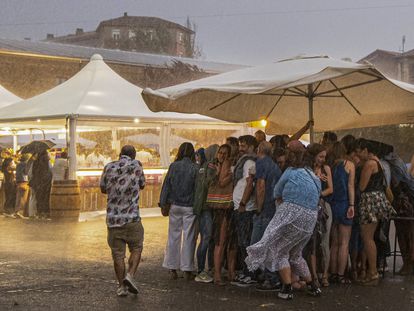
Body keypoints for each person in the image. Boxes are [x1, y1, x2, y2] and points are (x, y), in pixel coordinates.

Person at [245, 147, 322, 300]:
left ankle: (286, 289)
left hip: (292, 214)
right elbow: (318, 194)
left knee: (279, 251)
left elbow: (276, 192)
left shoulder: (290, 172)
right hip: (310, 218)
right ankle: (313, 286)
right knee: (295, 254)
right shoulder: (314, 176)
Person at [100, 145, 146, 297]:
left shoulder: (108, 166)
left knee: (118, 255)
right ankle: (130, 275)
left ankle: (121, 287)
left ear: (120, 154)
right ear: (133, 155)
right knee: (137, 247)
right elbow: (142, 185)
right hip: (132, 217)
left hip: (113, 219)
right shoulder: (137, 165)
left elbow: (103, 188)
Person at [356, 139, 395, 286]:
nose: (358, 154)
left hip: (369, 201)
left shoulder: (369, 164)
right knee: (370, 237)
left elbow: (362, 186)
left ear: (366, 150)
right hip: (377, 200)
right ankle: (371, 271)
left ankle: (373, 272)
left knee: (368, 239)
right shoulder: (378, 161)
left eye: (360, 151)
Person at [160, 142, 198, 280]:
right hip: (190, 206)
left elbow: (166, 186)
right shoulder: (195, 168)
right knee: (189, 237)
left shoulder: (173, 166)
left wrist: (163, 203)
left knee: (173, 236)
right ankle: (187, 269)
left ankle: (172, 268)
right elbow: (197, 189)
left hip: (174, 205)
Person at [251, 141, 282, 291]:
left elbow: (261, 186)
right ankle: (267, 274)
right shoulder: (274, 165)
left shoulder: (261, 163)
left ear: (259, 150)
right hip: (274, 208)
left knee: (258, 244)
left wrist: (258, 207)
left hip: (266, 210)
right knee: (268, 244)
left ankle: (270, 277)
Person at [303, 143, 333, 288]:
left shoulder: (326, 169)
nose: (322, 159)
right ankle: (314, 275)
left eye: (324, 157)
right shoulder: (306, 170)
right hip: (309, 207)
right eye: (320, 156)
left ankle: (325, 274)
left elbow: (330, 189)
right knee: (311, 243)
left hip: (323, 207)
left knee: (324, 241)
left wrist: (318, 192)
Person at [230, 135, 258, 287]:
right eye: (240, 145)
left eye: (243, 146)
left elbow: (250, 184)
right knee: (243, 241)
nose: (240, 148)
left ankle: (250, 273)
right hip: (242, 206)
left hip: (245, 208)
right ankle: (247, 272)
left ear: (252, 146)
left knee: (245, 242)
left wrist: (243, 202)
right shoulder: (245, 161)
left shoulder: (249, 162)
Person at [205, 144, 234, 285]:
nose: (221, 155)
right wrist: (231, 174)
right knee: (220, 242)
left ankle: (223, 272)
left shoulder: (214, 166)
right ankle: (217, 275)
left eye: (224, 153)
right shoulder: (223, 165)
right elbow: (222, 182)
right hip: (221, 207)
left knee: (221, 241)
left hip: (219, 206)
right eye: (220, 153)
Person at [329, 142, 355, 284]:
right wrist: (352, 205)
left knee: (334, 242)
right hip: (345, 204)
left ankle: (332, 272)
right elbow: (350, 186)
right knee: (344, 242)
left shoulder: (330, 167)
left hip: (333, 205)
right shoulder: (349, 165)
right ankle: (340, 275)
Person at [193, 144, 219, 283]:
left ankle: (205, 269)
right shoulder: (210, 166)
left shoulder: (202, 166)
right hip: (207, 207)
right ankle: (202, 269)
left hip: (203, 207)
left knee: (207, 238)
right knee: (207, 238)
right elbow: (209, 183)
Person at [30, 150, 52, 219]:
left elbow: (32, 172)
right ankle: (45, 213)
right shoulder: (47, 161)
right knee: (45, 197)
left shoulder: (35, 162)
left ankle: (39, 213)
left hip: (37, 182)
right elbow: (51, 170)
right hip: (46, 182)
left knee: (39, 197)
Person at [15, 153, 30, 218]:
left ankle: (17, 211)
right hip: (24, 181)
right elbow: (26, 172)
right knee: (23, 198)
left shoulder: (18, 164)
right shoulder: (25, 164)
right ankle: (21, 212)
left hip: (18, 181)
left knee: (18, 197)